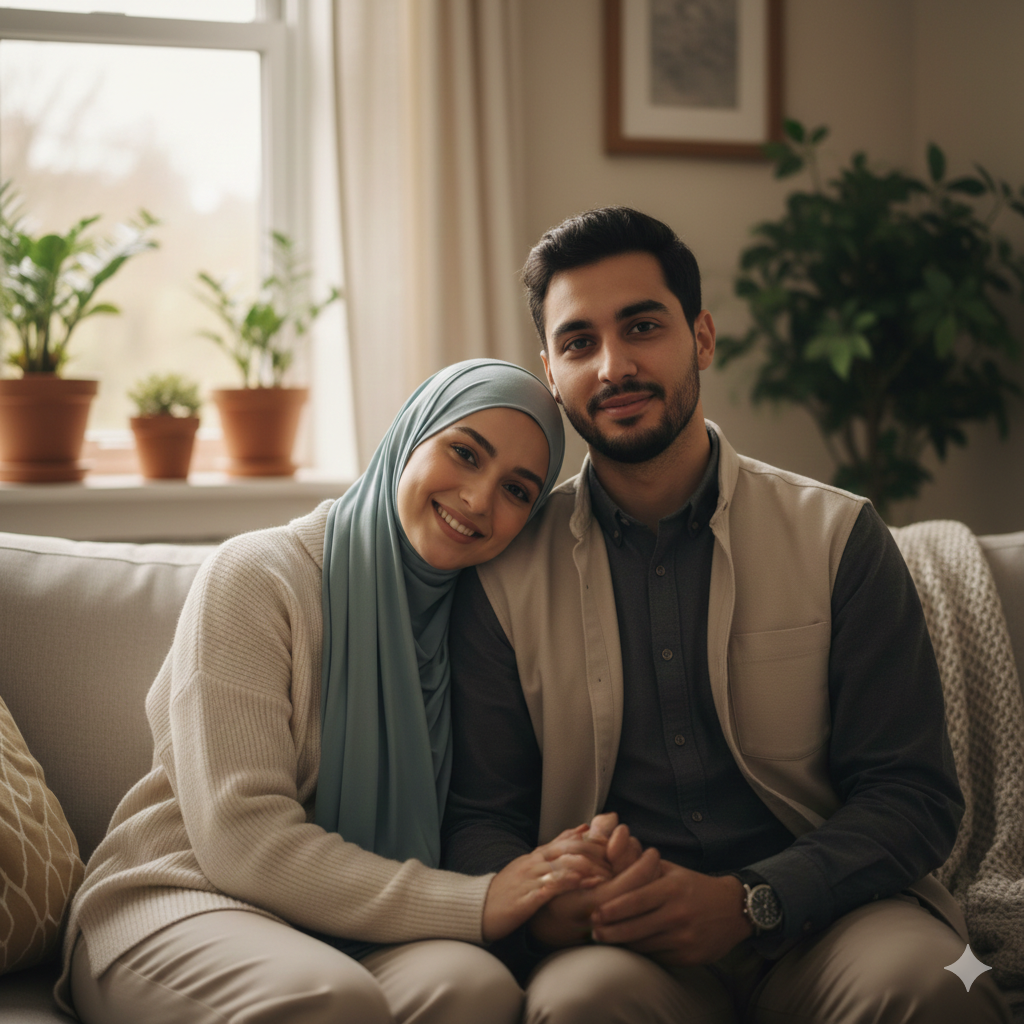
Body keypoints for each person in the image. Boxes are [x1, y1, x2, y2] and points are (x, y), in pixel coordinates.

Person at [441, 209, 1013, 1023]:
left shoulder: (840, 534)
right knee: (573, 1007)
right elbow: (479, 818)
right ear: (551, 370)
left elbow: (914, 796)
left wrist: (752, 900)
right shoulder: (501, 575)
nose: (614, 365)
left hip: (840, 914)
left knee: (944, 983)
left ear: (701, 338)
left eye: (643, 326)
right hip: (618, 939)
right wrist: (550, 902)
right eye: (579, 343)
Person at [58, 359, 613, 1024]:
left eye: (518, 491)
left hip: (360, 926)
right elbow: (243, 837)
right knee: (328, 1001)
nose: (478, 499)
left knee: (476, 989)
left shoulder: (481, 623)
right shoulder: (258, 576)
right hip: (188, 895)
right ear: (411, 435)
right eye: (464, 453)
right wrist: (479, 902)